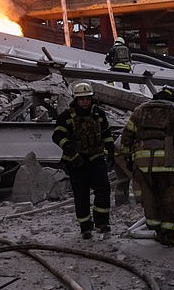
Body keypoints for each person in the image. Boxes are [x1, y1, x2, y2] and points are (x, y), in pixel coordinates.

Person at [120, 86, 174, 246]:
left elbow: (127, 136)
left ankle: (156, 228)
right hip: (169, 165)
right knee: (171, 198)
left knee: (150, 196)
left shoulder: (140, 110)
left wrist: (128, 158)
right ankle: (169, 233)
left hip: (144, 164)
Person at [52, 82, 115, 239]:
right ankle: (85, 226)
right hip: (76, 162)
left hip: (96, 158)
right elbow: (58, 136)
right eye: (81, 99)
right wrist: (72, 153)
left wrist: (111, 152)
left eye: (87, 99)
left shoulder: (99, 114)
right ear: (76, 99)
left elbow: (107, 134)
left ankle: (102, 222)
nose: (85, 102)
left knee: (103, 189)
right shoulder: (66, 117)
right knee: (81, 194)